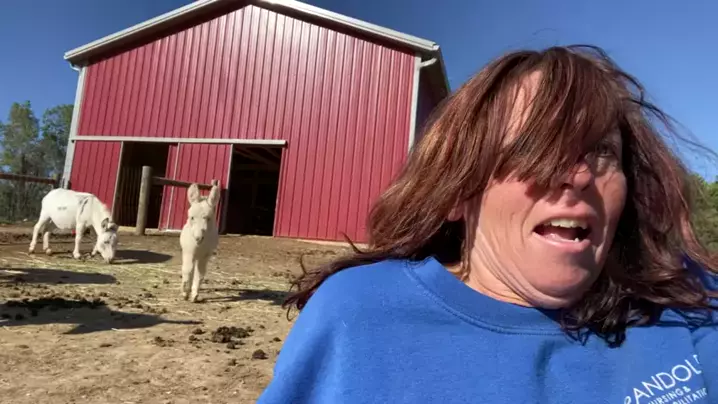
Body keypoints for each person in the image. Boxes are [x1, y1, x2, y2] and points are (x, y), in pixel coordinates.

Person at [257, 45, 718, 404]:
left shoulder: (682, 300)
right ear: (458, 192)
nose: (578, 175)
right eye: (534, 147)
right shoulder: (360, 314)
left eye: (601, 151)